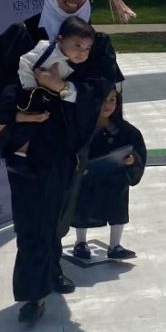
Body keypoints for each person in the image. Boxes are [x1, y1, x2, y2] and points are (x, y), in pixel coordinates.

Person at [0, 0, 124, 325]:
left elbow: (102, 88)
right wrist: (14, 130)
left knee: (58, 218)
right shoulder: (21, 35)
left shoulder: (97, 43)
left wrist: (61, 88)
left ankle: (51, 271)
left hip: (69, 149)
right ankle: (32, 295)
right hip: (27, 148)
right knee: (31, 224)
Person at [0, 16, 95, 166]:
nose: (82, 52)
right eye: (77, 45)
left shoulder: (72, 64)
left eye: (87, 48)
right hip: (23, 84)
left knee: (37, 118)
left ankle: (22, 151)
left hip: (40, 93)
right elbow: (25, 61)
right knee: (7, 104)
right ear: (60, 40)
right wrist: (29, 84)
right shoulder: (46, 48)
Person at [67, 86, 146, 261]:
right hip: (88, 178)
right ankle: (80, 243)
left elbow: (138, 151)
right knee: (83, 207)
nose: (108, 105)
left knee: (117, 205)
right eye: (103, 100)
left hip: (114, 178)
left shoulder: (125, 130)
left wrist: (132, 160)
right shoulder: (83, 129)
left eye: (112, 100)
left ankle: (115, 245)